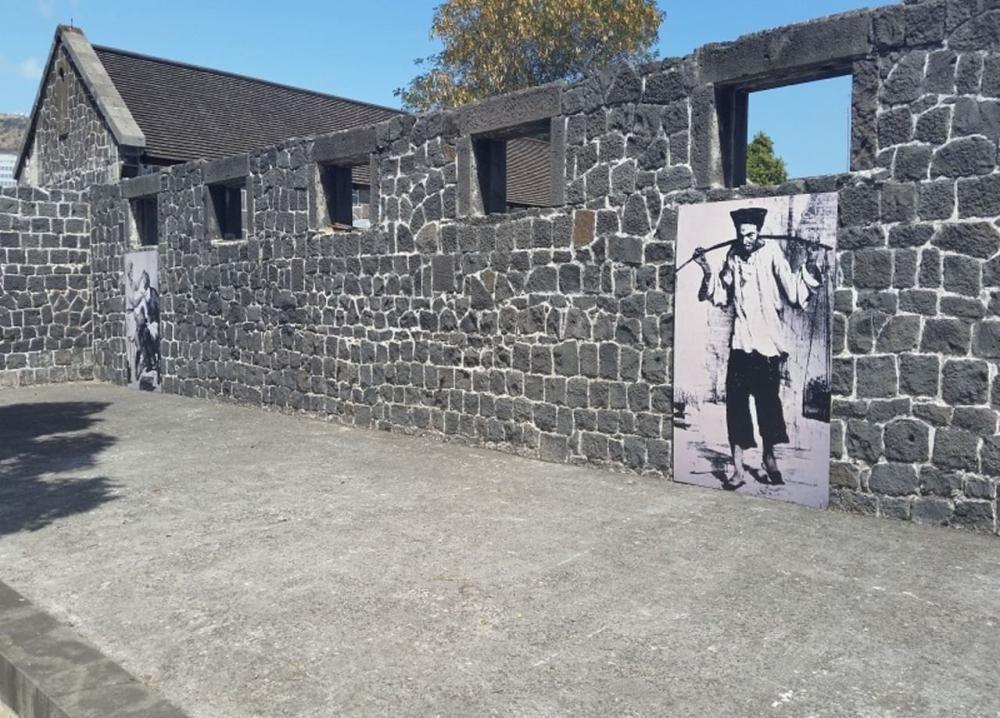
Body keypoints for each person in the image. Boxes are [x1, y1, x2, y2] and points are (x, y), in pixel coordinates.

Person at [692, 207, 822, 486]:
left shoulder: (773, 254)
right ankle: (738, 468)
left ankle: (769, 458)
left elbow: (794, 292)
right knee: (736, 405)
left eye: (751, 234)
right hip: (741, 344)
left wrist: (810, 264)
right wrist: (705, 267)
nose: (746, 240)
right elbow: (723, 295)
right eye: (742, 235)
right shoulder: (733, 256)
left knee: (768, 405)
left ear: (759, 232)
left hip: (767, 346)